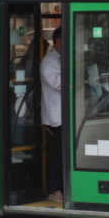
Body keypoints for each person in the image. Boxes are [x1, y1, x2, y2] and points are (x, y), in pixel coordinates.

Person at [40, 27, 63, 204]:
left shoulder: (60, 58)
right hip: (57, 115)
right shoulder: (49, 61)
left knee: (63, 153)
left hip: (65, 113)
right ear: (57, 41)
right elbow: (58, 82)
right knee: (59, 154)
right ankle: (55, 190)